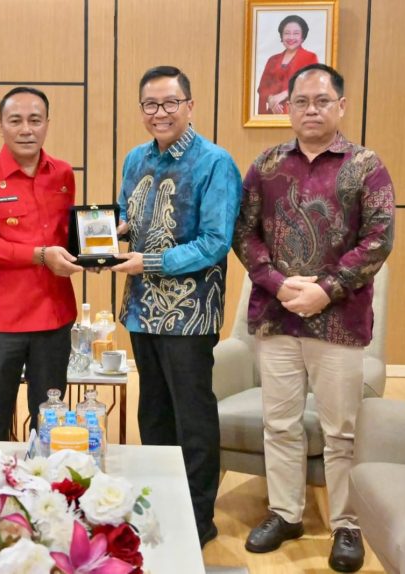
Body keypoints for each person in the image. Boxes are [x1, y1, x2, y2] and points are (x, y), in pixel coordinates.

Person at [234, 64, 394, 573]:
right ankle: (286, 513)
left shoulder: (366, 166)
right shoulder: (265, 164)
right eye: (300, 101)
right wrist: (278, 284)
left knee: (341, 431)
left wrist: (326, 290)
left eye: (322, 101)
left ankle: (347, 523)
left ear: (341, 106)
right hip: (277, 315)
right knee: (279, 423)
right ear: (288, 108)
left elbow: (379, 238)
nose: (311, 110)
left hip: (339, 320)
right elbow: (244, 233)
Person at [111, 65, 242, 548]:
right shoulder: (136, 158)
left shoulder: (214, 162)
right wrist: (110, 231)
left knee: (193, 417)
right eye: (150, 104)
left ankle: (198, 518)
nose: (159, 112)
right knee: (154, 413)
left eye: (170, 103)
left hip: (190, 314)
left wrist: (148, 261)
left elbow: (215, 241)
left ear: (189, 105)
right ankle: (161, 504)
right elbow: (125, 212)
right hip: (141, 309)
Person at [0, 86, 81, 441]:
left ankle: (48, 478)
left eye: (35, 120)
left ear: (47, 124)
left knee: (49, 420)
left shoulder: (63, 174)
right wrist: (39, 255)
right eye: (16, 121)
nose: (26, 129)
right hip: (2, 320)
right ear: (0, 125)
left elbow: (67, 236)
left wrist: (99, 243)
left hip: (54, 317)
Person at [256, 15, 318, 114]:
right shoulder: (272, 60)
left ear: (302, 36)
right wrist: (271, 100)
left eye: (296, 33)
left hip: (298, 114)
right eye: (287, 33)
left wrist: (284, 94)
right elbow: (262, 88)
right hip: (271, 114)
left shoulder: (310, 57)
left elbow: (312, 85)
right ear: (282, 36)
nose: (291, 37)